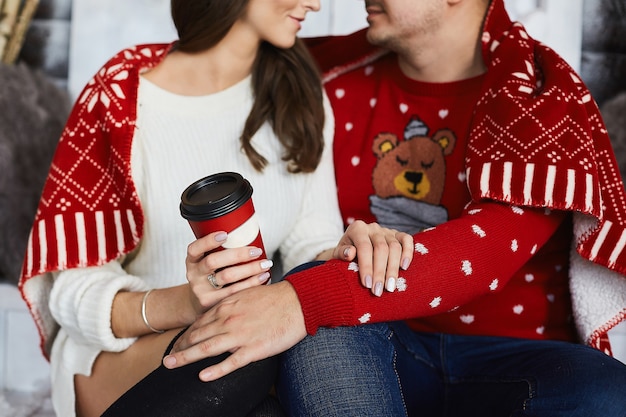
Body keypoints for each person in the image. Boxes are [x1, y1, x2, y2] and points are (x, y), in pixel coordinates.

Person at [162, 0, 626, 415]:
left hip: (514, 359)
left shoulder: (537, 94)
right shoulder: (323, 80)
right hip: (374, 346)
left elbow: (486, 252)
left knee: (605, 392)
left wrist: (298, 299)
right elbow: (216, 70)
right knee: (326, 317)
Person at [17, 0, 414, 416]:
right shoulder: (122, 93)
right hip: (118, 356)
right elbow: (71, 293)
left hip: (238, 338)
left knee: (281, 358)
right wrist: (188, 304)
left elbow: (308, 244)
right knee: (248, 349)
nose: (314, 3)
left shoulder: (299, 93)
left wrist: (347, 253)